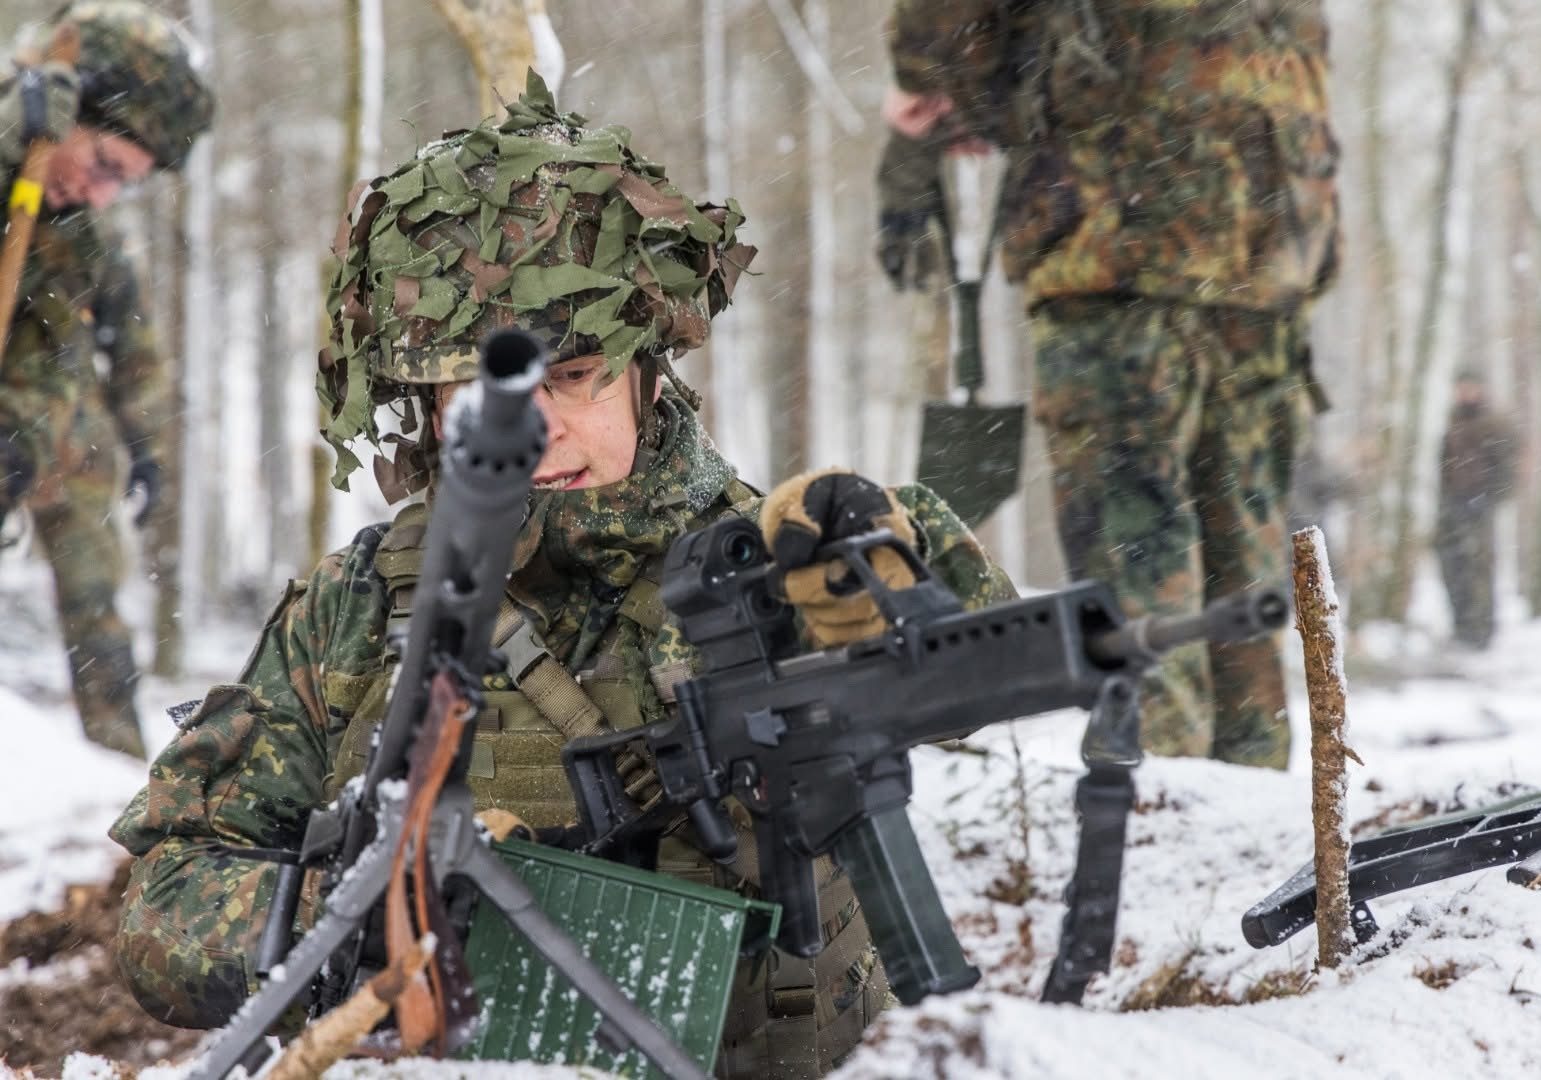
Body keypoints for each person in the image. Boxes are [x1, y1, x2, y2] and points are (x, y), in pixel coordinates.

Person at [109, 75, 1014, 1078]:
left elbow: (982, 671)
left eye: (573, 375)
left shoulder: (772, 564)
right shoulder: (356, 608)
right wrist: (347, 916)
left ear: (644, 363)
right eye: (487, 391)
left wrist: (893, 556)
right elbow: (164, 900)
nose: (536, 428)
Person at [877, 0, 1340, 769]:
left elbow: (937, 37)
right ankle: (1252, 812)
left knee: (1137, 547)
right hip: (1267, 240)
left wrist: (938, 107)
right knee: (1245, 552)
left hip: (1120, 232)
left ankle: (1153, 804)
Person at [0, 1, 214, 759]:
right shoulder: (13, 147)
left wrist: (145, 445)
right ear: (65, 112)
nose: (99, 194)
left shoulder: (87, 233)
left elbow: (135, 350)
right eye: (103, 168)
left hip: (64, 448)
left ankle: (116, 774)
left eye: (122, 184)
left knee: (101, 626)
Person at [1436, 371, 1517, 649]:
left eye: (1470, 387)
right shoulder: (1452, 420)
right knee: (1453, 566)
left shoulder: (1495, 424)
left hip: (1480, 507)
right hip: (1453, 505)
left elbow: (1507, 469)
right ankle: (1461, 626)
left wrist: (1488, 498)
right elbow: (1444, 464)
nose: (1465, 392)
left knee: (1479, 566)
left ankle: (1482, 630)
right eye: (1461, 387)